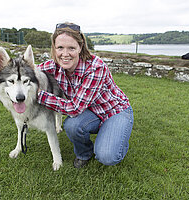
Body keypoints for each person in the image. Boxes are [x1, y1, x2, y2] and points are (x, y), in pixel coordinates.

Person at [37, 22, 134, 168]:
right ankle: (84, 153)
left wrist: (40, 96)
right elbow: (29, 71)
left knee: (107, 156)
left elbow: (74, 109)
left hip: (115, 111)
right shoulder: (53, 66)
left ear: (80, 47)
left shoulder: (96, 67)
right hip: (90, 112)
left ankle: (117, 137)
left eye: (71, 48)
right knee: (71, 124)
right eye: (60, 48)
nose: (65, 54)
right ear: (54, 48)